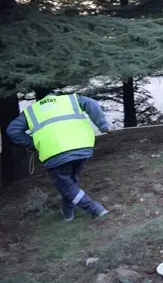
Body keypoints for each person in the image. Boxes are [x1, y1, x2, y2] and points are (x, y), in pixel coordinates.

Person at [6, 90, 115, 221]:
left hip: (54, 153)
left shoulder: (31, 111)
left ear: (39, 99)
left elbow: (12, 130)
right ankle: (68, 214)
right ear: (55, 95)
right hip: (82, 146)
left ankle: (95, 210)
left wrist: (33, 145)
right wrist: (103, 125)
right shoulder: (70, 99)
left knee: (66, 186)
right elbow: (91, 104)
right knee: (70, 181)